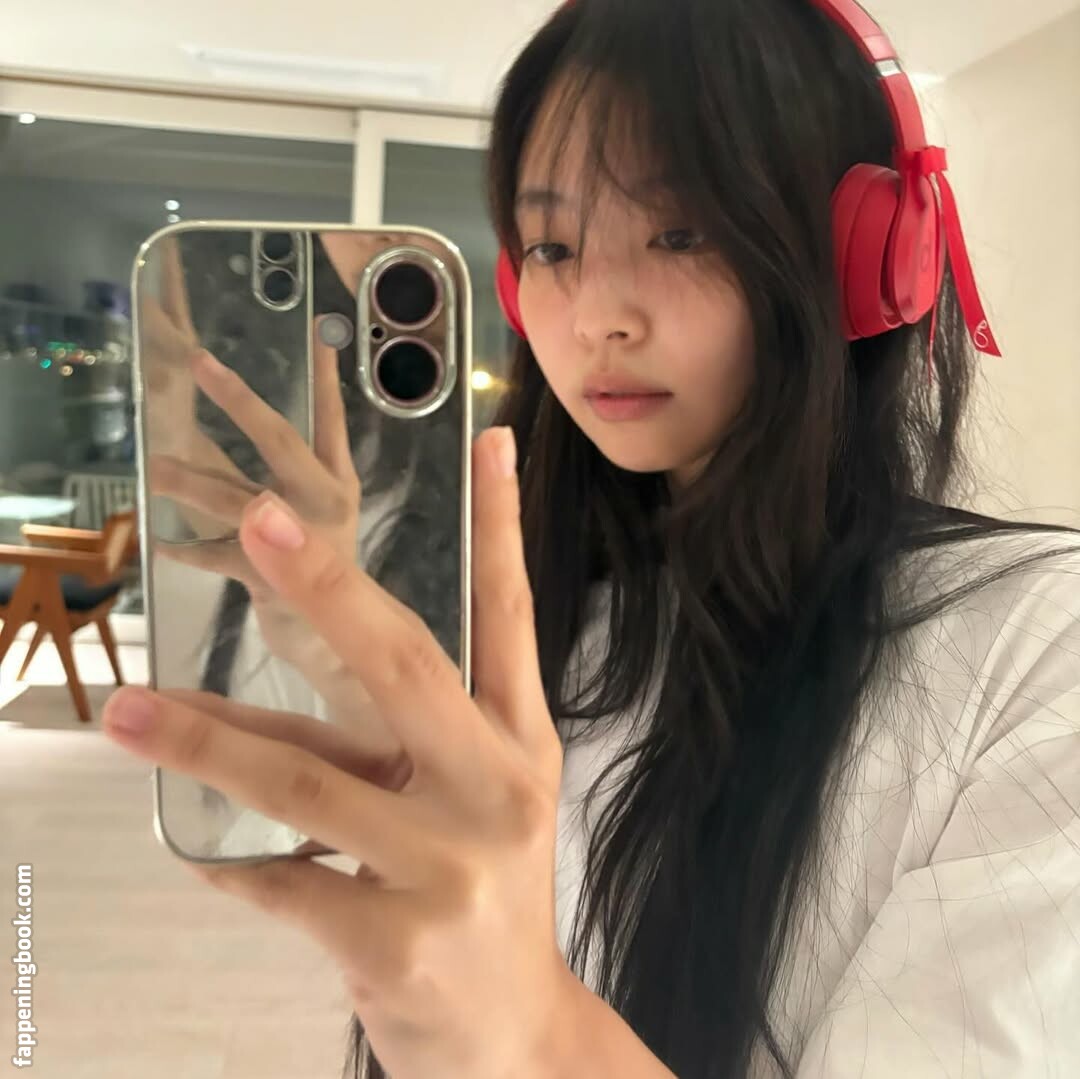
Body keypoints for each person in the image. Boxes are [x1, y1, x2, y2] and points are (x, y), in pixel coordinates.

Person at [103, 1, 1080, 1077]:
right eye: (554, 246)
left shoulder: (1040, 647)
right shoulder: (551, 604)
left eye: (681, 232)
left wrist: (524, 1027)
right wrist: (331, 652)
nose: (595, 315)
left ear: (866, 256)